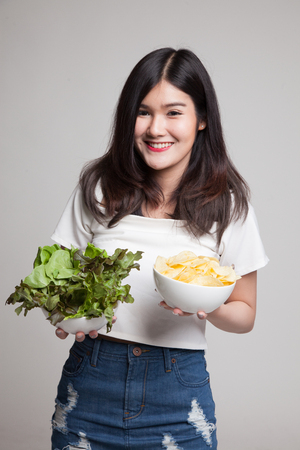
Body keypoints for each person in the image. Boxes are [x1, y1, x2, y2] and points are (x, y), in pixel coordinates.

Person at [51, 48, 268, 450]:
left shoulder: (229, 203)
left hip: (178, 389)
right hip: (91, 380)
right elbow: (55, 278)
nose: (155, 129)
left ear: (201, 119)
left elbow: (246, 313)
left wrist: (210, 305)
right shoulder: (99, 187)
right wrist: (64, 311)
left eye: (173, 112)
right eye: (143, 111)